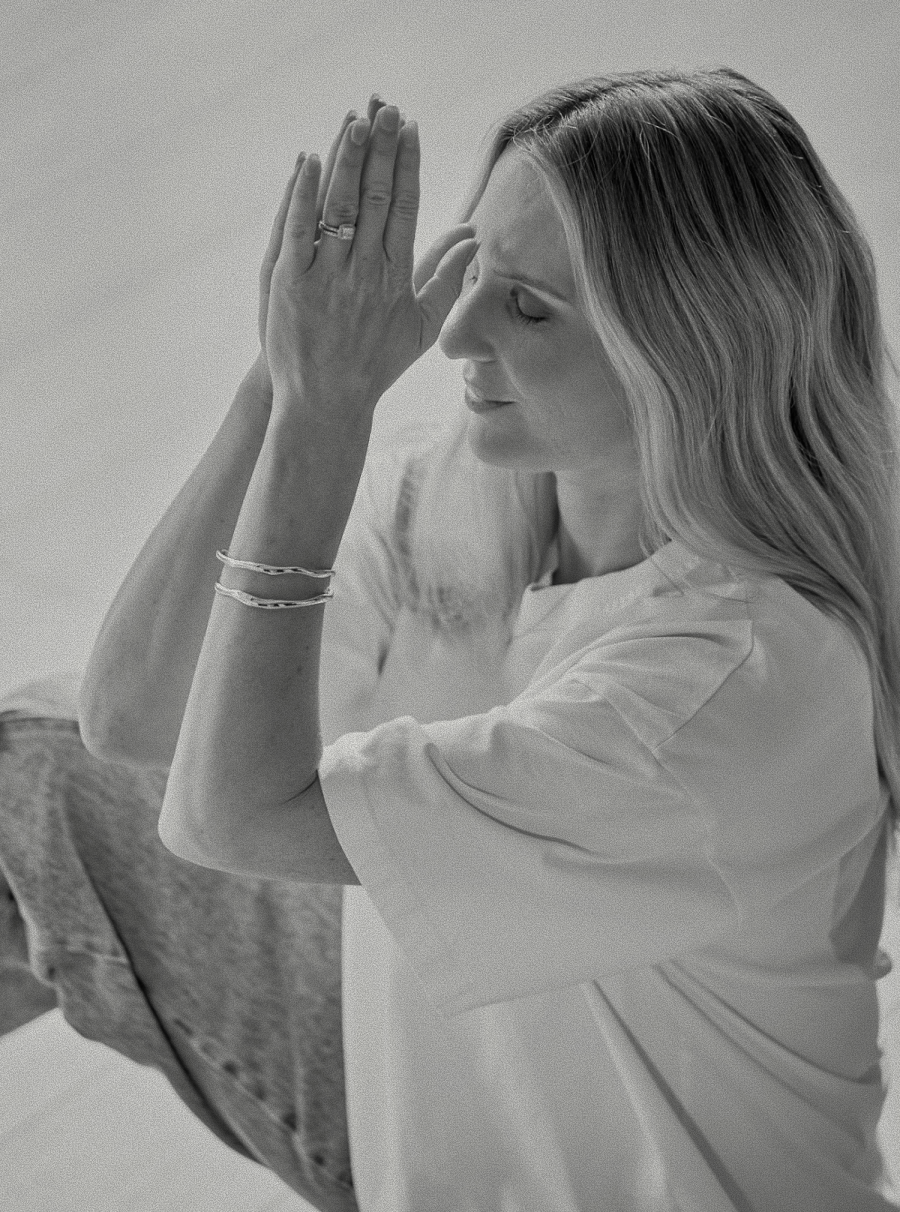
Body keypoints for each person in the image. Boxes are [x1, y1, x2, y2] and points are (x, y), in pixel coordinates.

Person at [3, 65, 900, 1211]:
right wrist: (288, 378)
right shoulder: (473, 496)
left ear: (689, 351)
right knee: (30, 767)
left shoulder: (724, 690)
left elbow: (225, 814)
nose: (458, 329)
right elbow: (131, 720)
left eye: (529, 306)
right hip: (416, 1088)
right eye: (474, 269)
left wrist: (325, 417)